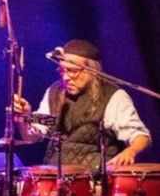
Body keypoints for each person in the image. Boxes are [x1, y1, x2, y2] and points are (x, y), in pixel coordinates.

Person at [13, 39, 151, 169]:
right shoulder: (54, 92)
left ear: (92, 70)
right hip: (55, 176)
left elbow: (140, 135)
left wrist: (130, 151)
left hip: (94, 178)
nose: (66, 77)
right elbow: (32, 137)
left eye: (73, 71)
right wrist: (25, 117)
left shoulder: (113, 96)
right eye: (62, 70)